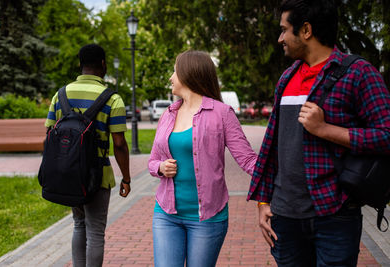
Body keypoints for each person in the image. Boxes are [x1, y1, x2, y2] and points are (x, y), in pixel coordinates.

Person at [247, 0, 390, 266]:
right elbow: (272, 147)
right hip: (285, 217)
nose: (280, 39)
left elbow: (386, 135)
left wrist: (325, 130)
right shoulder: (287, 78)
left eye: (284, 30)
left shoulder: (359, 73)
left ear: (306, 31)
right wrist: (263, 202)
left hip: (334, 214)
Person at [148, 50, 258, 267]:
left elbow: (248, 160)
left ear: (189, 73)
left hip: (207, 218)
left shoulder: (222, 113)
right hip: (166, 213)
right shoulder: (168, 113)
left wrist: (282, 177)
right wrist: (160, 167)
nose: (171, 77)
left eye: (175, 71)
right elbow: (152, 161)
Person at [45, 44, 131, 267]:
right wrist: (127, 178)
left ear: (80, 65)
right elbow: (119, 144)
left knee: (78, 224)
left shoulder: (60, 95)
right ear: (103, 65)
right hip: (98, 175)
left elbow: (49, 134)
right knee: (95, 232)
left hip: (70, 173)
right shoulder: (113, 99)